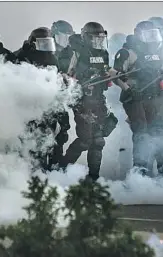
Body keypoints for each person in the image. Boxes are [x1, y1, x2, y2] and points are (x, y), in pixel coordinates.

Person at [58, 22, 119, 181]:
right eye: (94, 39)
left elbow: (106, 69)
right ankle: (61, 168)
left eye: (100, 39)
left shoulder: (103, 53)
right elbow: (67, 75)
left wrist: (114, 74)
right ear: (86, 38)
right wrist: (81, 82)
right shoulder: (76, 52)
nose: (98, 42)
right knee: (85, 140)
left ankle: (93, 179)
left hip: (98, 99)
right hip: (82, 100)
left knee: (98, 141)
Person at [113, 20, 163, 177]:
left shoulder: (157, 52)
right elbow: (115, 75)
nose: (152, 38)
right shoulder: (127, 52)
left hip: (154, 97)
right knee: (142, 134)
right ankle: (140, 174)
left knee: (159, 133)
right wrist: (129, 89)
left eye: (154, 34)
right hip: (134, 99)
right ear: (139, 35)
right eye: (148, 34)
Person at [15, 27, 71, 172]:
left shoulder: (52, 58)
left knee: (50, 142)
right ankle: (32, 176)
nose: (46, 47)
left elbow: (58, 80)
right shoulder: (24, 57)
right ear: (33, 43)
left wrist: (64, 82)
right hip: (31, 110)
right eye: (43, 43)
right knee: (32, 145)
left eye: (48, 43)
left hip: (49, 107)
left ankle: (46, 173)